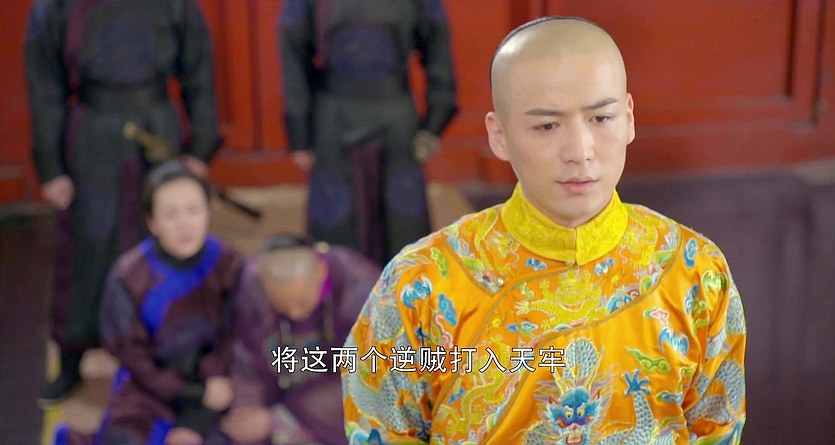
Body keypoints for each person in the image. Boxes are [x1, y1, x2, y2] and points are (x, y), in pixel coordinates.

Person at [341, 17, 747, 444]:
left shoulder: (694, 272)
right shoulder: (419, 285)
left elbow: (717, 430)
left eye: (601, 117)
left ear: (628, 118)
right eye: (547, 126)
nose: (580, 151)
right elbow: (380, 428)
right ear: (499, 136)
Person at [25, 0, 221, 403]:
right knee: (87, 246)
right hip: (92, 133)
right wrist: (51, 167)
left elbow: (199, 69)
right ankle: (72, 356)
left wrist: (201, 146)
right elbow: (44, 84)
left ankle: (173, 357)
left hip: (158, 126)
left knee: (169, 243)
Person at [279, 0, 458, 265]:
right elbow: (293, 48)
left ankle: (405, 291)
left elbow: (436, 39)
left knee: (402, 229)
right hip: (335, 118)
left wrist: (436, 120)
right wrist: (300, 132)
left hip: (392, 118)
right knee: (336, 226)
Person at [94, 160, 242, 445]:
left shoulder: (228, 262)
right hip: (150, 386)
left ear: (208, 212)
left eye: (193, 210)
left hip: (217, 381)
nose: (184, 224)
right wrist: (191, 392)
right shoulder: (130, 275)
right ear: (152, 222)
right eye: (171, 214)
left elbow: (238, 331)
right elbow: (129, 352)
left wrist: (209, 393)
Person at [221, 234, 380, 445]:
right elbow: (248, 359)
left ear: (321, 272)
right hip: (281, 399)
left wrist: (279, 418)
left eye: (302, 302)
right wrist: (246, 411)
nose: (295, 314)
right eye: (282, 306)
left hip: (338, 410)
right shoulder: (254, 287)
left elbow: (367, 378)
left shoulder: (362, 291)